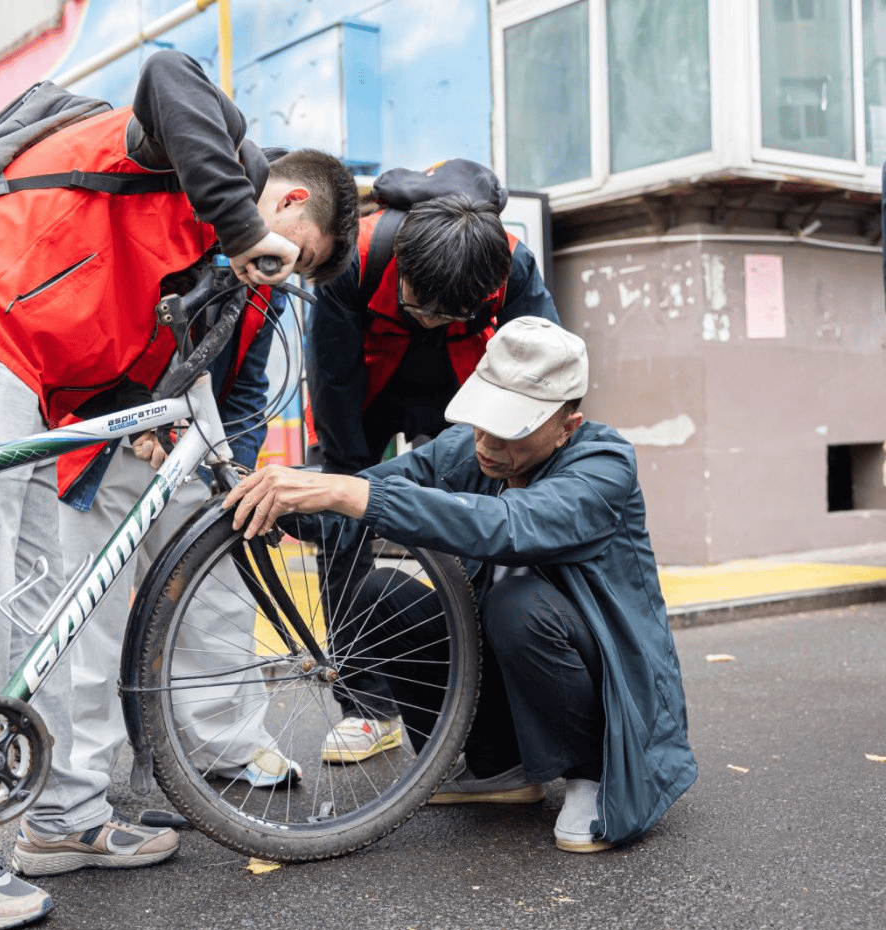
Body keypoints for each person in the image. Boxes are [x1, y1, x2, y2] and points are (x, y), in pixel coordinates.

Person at [0, 49, 358, 930]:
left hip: (13, 356)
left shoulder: (194, 253)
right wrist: (246, 234)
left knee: (33, 615)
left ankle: (65, 817)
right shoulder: (214, 161)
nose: (277, 277)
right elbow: (170, 74)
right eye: (292, 258)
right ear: (283, 207)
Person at [223, 317, 697, 853]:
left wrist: (352, 495)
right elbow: (356, 500)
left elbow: (510, 525)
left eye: (510, 429)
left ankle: (590, 773)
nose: (487, 444)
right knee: (383, 592)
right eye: (481, 420)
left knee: (519, 604)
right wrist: (268, 499)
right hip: (506, 667)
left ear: (567, 426)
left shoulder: (604, 463)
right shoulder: (465, 451)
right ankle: (496, 768)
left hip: (601, 683)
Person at [305, 159, 561, 764]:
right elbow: (331, 380)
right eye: (417, 307)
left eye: (443, 314)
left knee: (473, 519)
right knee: (344, 524)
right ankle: (366, 706)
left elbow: (547, 369)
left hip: (459, 389)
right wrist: (348, 485)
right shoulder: (358, 255)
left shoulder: (512, 264)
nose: (425, 320)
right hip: (365, 385)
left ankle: (474, 690)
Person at [62, 288, 299, 790]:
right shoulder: (181, 226)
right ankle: (79, 780)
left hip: (190, 437)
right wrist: (138, 418)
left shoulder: (265, 282)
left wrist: (231, 466)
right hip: (101, 436)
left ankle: (227, 743)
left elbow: (246, 381)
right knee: (89, 617)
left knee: (215, 593)